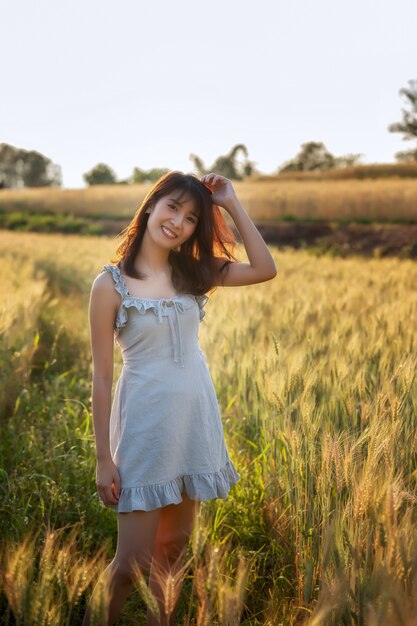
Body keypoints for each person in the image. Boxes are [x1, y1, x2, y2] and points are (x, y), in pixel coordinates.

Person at [83, 171, 277, 626]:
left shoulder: (194, 271)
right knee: (130, 563)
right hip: (144, 428)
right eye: (172, 207)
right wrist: (103, 458)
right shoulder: (110, 285)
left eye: (191, 218)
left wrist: (230, 202)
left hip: (193, 423)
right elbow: (102, 374)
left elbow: (266, 269)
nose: (178, 222)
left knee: (171, 555)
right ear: (151, 205)